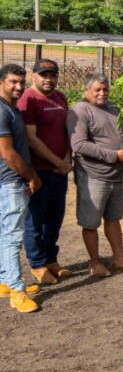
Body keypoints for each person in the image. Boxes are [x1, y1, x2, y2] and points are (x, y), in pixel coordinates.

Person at [66, 73, 123, 278]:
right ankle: (95, 262)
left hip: (116, 175)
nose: (102, 93)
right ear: (87, 90)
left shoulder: (113, 109)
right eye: (97, 90)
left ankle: (119, 258)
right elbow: (79, 145)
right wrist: (113, 155)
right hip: (93, 176)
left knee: (113, 218)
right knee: (91, 222)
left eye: (105, 89)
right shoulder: (80, 111)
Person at [16, 59, 71, 286]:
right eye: (43, 74)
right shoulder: (28, 99)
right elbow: (31, 138)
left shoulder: (60, 98)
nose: (48, 79)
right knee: (35, 220)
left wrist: (67, 158)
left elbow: (66, 131)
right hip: (39, 171)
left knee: (55, 218)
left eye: (52, 74)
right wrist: (57, 161)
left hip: (60, 170)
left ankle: (50, 259)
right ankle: (37, 264)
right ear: (34, 76)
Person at [0, 64, 42, 312]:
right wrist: (32, 176)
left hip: (8, 182)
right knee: (13, 238)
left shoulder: (11, 109)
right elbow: (7, 154)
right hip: (11, 182)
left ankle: (5, 281)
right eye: (13, 82)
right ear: (1, 83)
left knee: (5, 234)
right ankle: (17, 291)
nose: (18, 86)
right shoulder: (2, 111)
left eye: (21, 82)